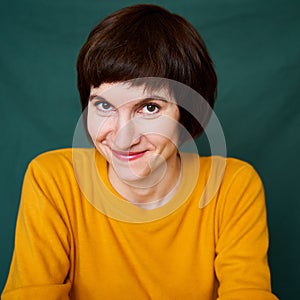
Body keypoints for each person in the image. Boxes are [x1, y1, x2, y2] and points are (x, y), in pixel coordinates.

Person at [2, 4, 278, 299]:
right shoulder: (53, 180)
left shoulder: (231, 186)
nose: (122, 139)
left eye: (149, 107)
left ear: (186, 115)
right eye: (104, 105)